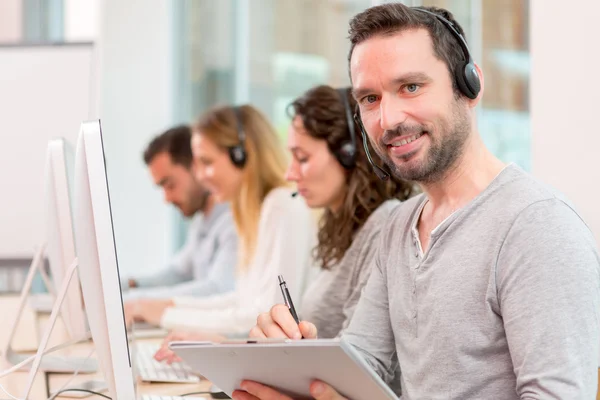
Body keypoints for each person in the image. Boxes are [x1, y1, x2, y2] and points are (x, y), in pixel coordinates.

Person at [236, 4, 600, 400]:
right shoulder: (399, 225)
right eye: (370, 98)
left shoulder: (538, 226)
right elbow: (364, 365)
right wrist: (289, 363)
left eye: (411, 86)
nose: (389, 119)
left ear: (470, 85)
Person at [153, 85, 416, 364]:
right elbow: (312, 346)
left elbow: (355, 361)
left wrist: (224, 349)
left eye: (302, 158)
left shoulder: (383, 225)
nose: (290, 173)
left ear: (349, 153)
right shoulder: (339, 234)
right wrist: (223, 347)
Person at [124, 104, 316, 336]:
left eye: (207, 163)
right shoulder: (252, 213)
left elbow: (268, 315)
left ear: (241, 155)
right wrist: (169, 306)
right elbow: (241, 301)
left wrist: (167, 314)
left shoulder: (282, 205)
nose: (201, 176)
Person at [122, 125, 238, 300]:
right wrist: (128, 285)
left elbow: (218, 288)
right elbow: (178, 273)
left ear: (196, 167)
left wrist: (135, 302)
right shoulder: (202, 220)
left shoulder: (234, 220)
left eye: (170, 185)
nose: (167, 198)